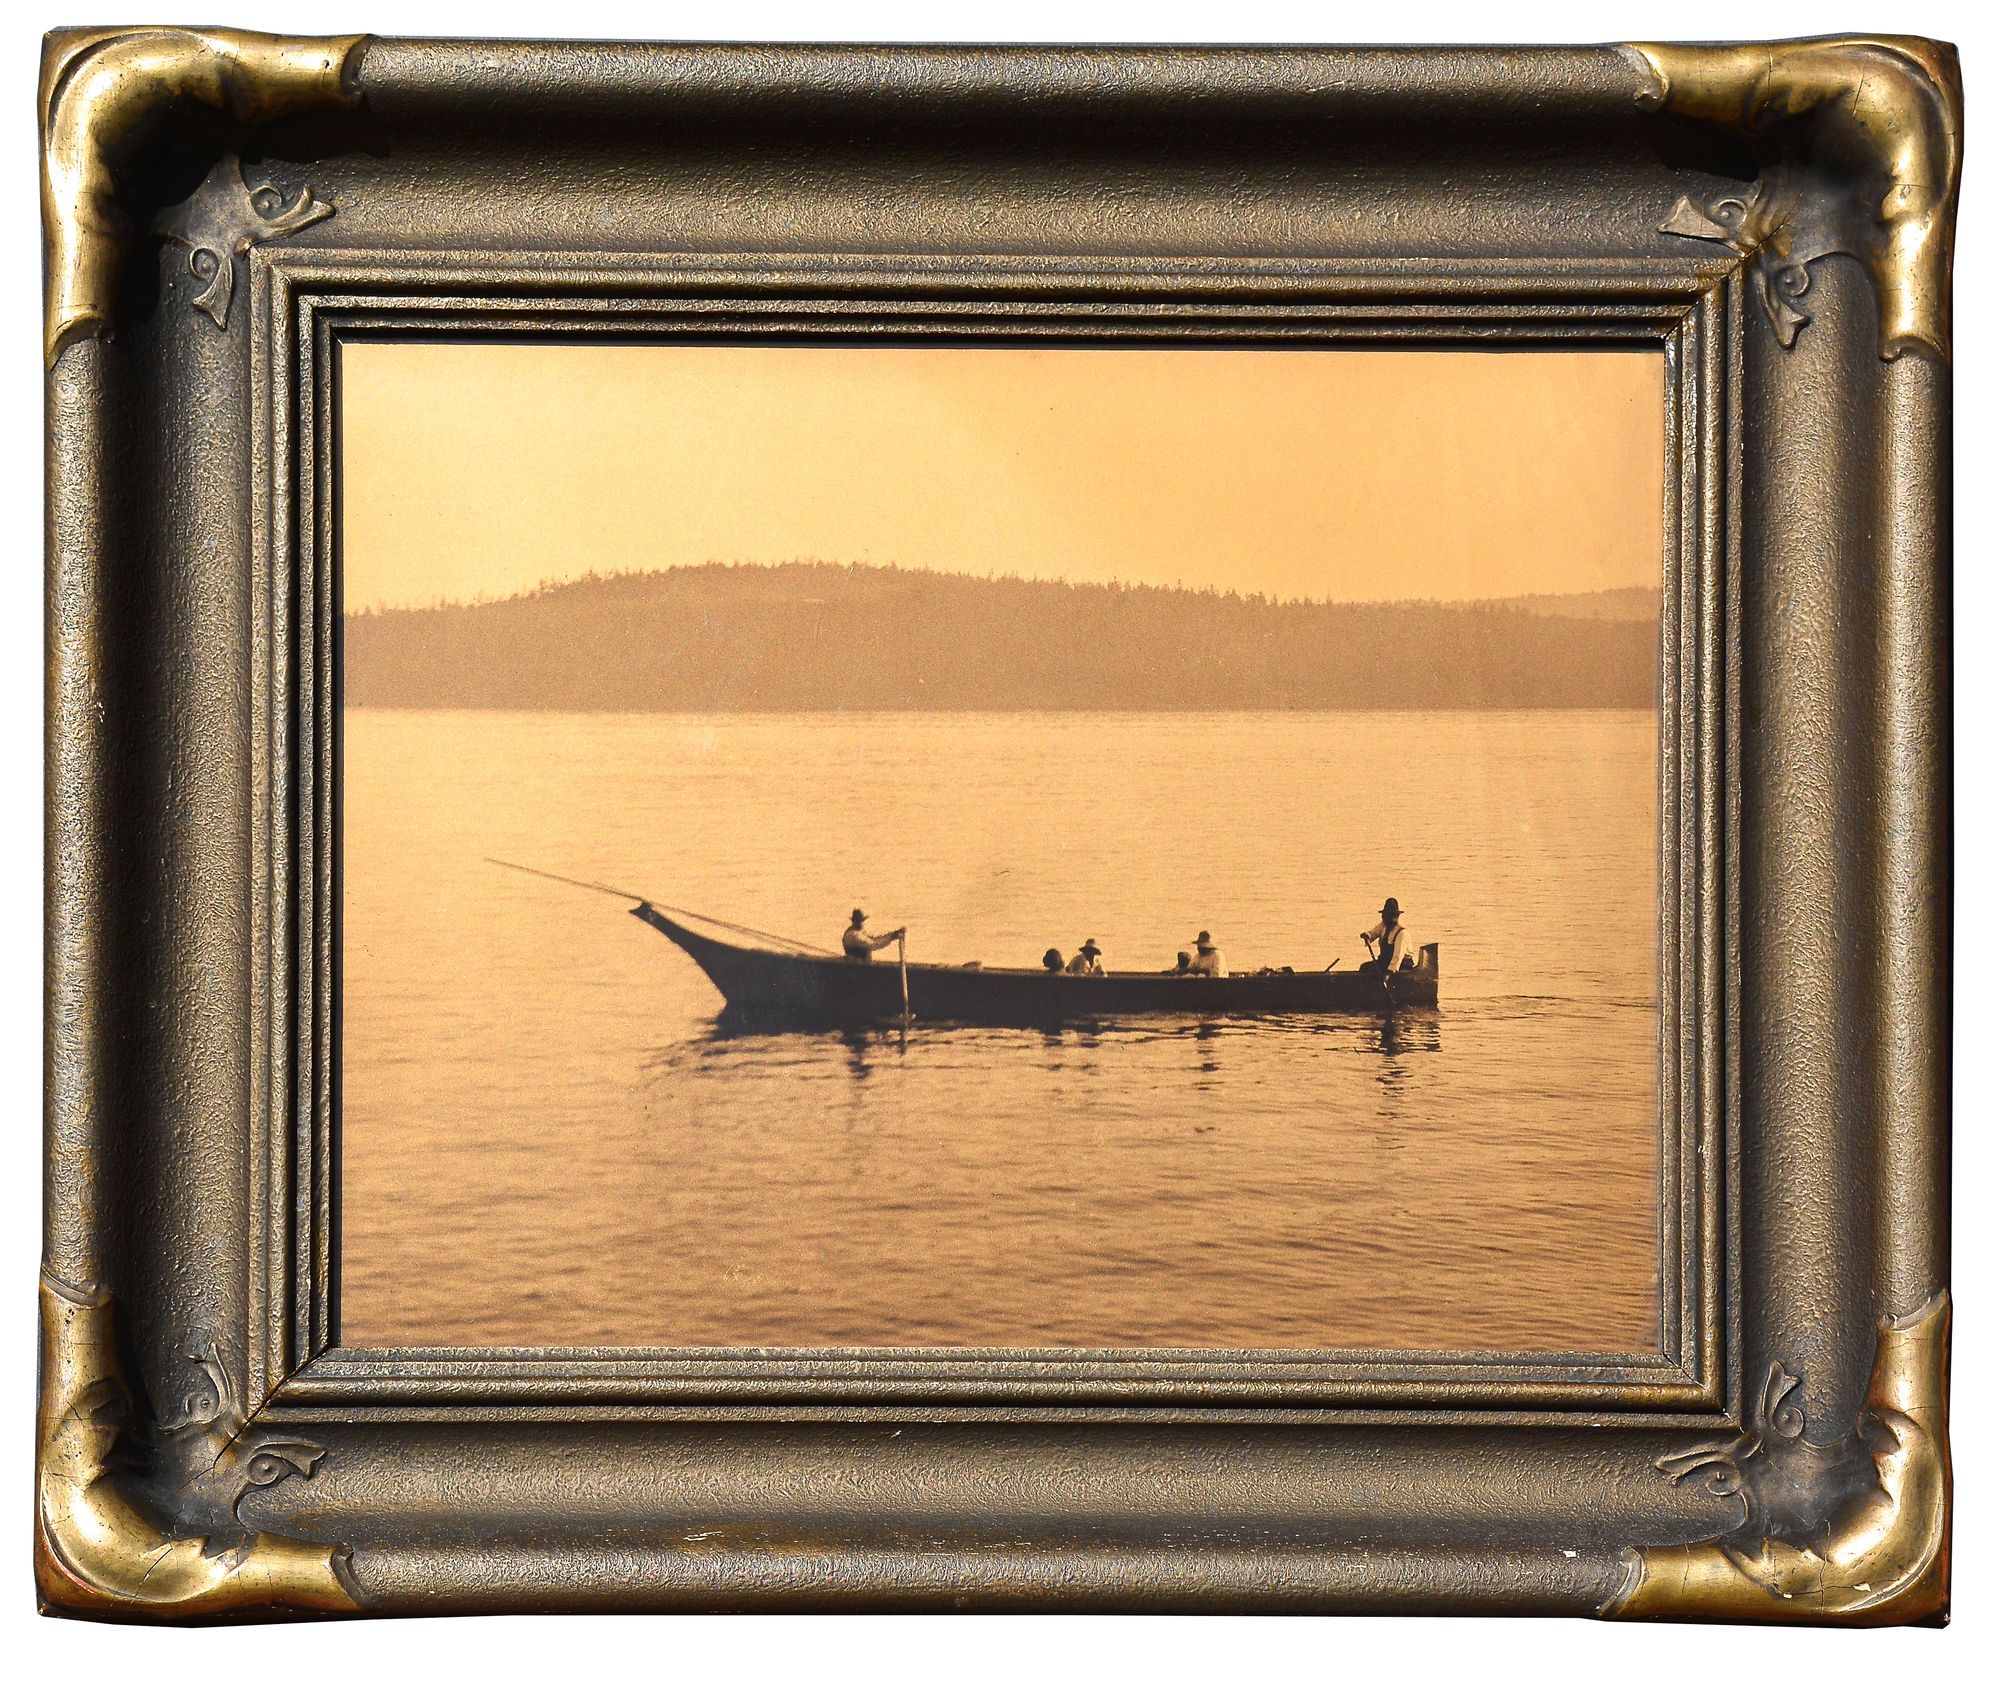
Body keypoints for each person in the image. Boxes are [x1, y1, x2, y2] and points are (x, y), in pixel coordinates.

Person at [1360, 897, 1411, 977]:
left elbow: (1398, 956)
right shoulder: (1384, 926)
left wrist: (1389, 972)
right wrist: (1367, 936)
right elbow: (1373, 933)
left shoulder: (1402, 933)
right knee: (1365, 968)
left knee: (1374, 972)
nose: (1384, 918)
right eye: (1384, 915)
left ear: (1396, 917)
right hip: (1385, 962)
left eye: (1388, 916)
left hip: (1401, 965)